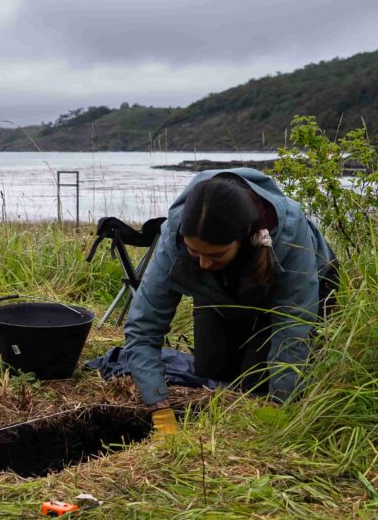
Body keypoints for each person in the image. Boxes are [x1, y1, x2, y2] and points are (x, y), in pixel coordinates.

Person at [124, 168, 337, 434]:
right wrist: (158, 403)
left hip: (300, 291)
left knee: (256, 383)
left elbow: (293, 329)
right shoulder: (174, 235)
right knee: (212, 370)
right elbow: (143, 326)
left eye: (215, 254)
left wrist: (280, 403)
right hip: (222, 288)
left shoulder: (290, 234)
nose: (203, 263)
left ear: (246, 236)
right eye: (194, 252)